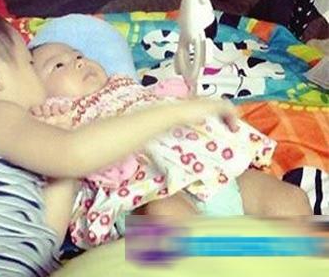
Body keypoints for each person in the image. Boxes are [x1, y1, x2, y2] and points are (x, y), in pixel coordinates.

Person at [0, 1, 234, 277]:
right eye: (27, 63)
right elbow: (75, 154)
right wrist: (175, 113)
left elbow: (48, 237)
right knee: (145, 244)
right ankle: (243, 250)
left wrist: (60, 150)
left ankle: (242, 248)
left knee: (142, 246)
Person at [30, 39, 312, 249]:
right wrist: (48, 122)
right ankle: (223, 262)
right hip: (146, 192)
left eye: (78, 55)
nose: (78, 62)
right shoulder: (58, 117)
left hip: (215, 172)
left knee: (289, 201)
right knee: (165, 217)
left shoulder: (128, 86)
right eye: (58, 65)